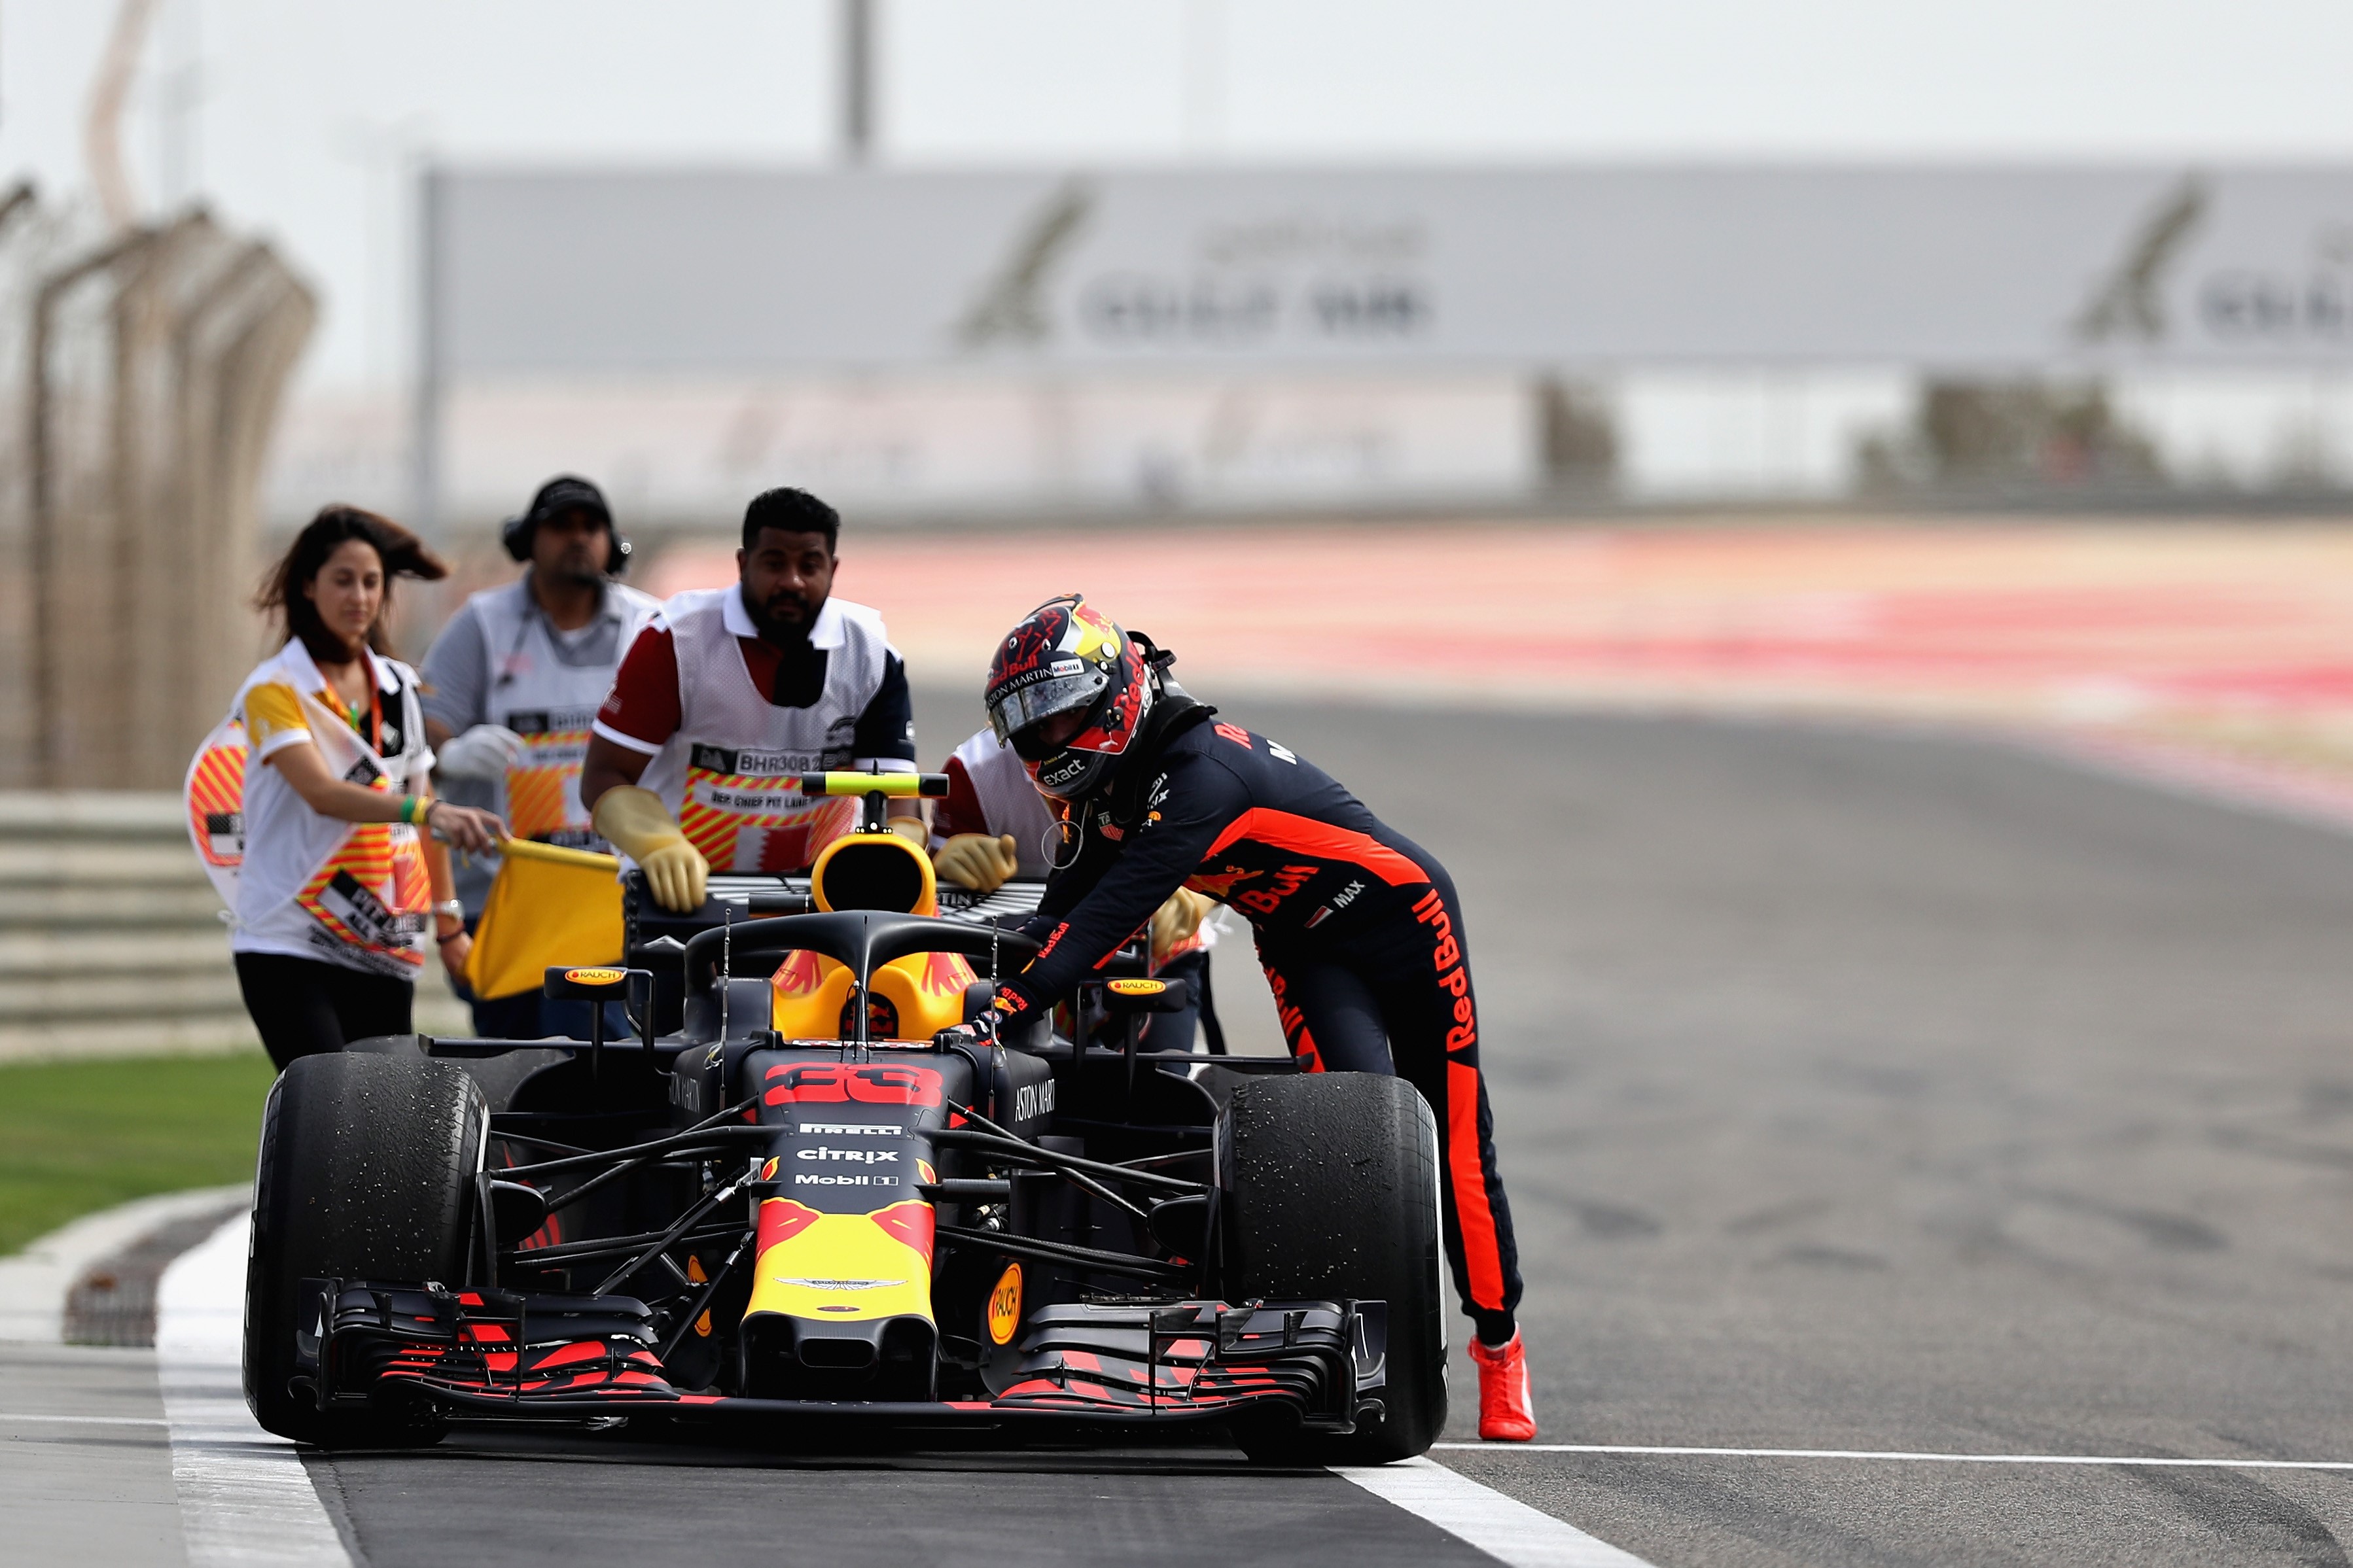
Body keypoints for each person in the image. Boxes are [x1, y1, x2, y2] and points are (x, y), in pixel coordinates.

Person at [961, 593, 1536, 1440]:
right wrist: (972, 973)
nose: (1045, 743)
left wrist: (1007, 1007)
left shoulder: (1197, 774)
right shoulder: (1107, 798)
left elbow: (1106, 919)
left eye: (1060, 718)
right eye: (1030, 729)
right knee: (1357, 1142)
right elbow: (1055, 921)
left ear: (1113, 696)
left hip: (1405, 921)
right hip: (1304, 943)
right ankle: (1373, 1349)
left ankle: (1499, 1346)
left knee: (1452, 1143)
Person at [222, 506, 505, 1068]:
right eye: (343, 580)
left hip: (382, 939)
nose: (359, 596)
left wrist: (449, 927)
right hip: (287, 938)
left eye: (371, 582)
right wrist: (429, 812)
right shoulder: (273, 689)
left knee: (381, 1123)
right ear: (308, 587)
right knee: (327, 1106)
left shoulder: (400, 689)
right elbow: (323, 793)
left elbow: (425, 823)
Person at [579, 486, 924, 909]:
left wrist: (903, 856)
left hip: (822, 902)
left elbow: (900, 807)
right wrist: (656, 842)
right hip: (683, 898)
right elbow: (603, 774)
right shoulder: (676, 641)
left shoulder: (872, 654)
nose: (792, 581)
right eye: (775, 563)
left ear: (833, 570)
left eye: (809, 565)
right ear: (743, 564)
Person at [419, 475, 658, 1037]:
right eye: (561, 527)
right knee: (512, 1055)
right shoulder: (482, 625)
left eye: (591, 527)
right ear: (527, 539)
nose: (578, 539)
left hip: (612, 889)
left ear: (612, 542)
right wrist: (449, 754)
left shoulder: (651, 627)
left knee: (589, 1040)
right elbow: (421, 735)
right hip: (504, 892)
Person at [933, 724, 1218, 1051]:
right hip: (1021, 957)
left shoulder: (1174, 753)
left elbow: (1236, 839)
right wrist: (940, 864)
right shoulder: (973, 771)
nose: (1057, 727)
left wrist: (1199, 890)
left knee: (1163, 1091)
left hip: (1152, 952)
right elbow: (933, 909)